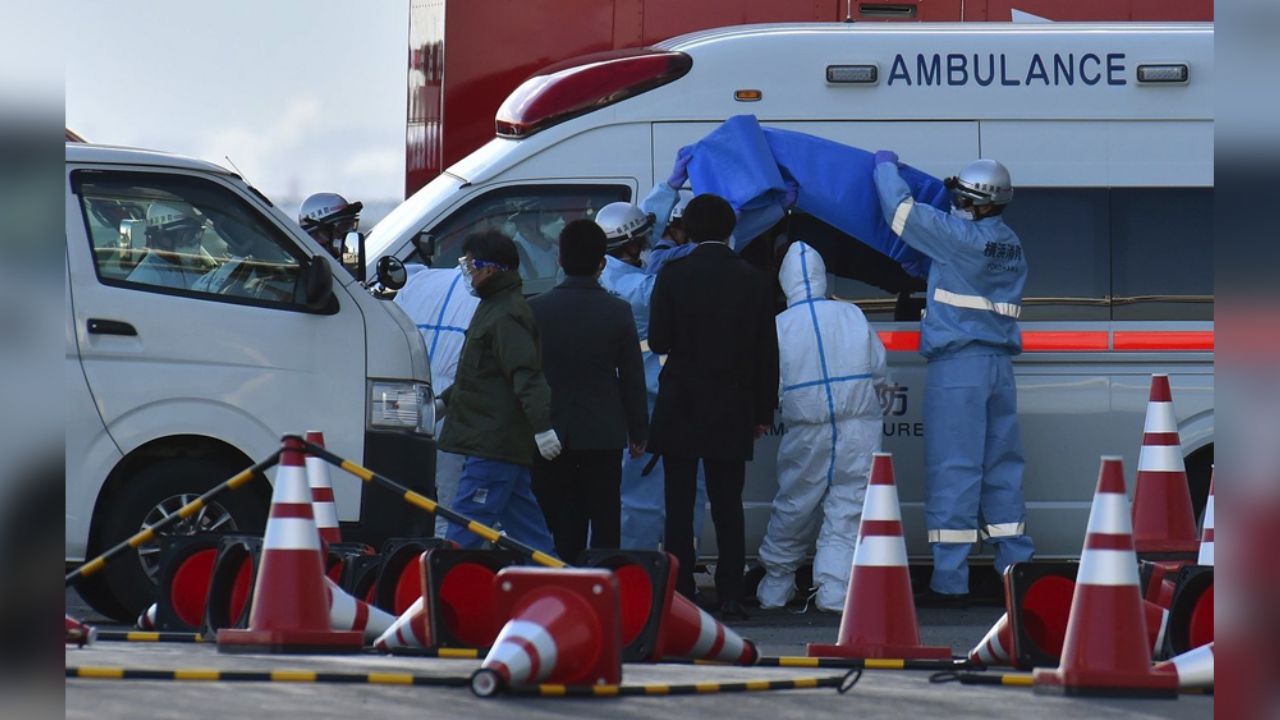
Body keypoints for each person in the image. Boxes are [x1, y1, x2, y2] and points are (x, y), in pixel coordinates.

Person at [872, 152, 1034, 604]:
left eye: (963, 196)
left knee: (954, 468)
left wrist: (886, 167)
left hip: (959, 366)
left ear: (981, 202)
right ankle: (1014, 568)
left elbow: (900, 212)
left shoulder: (959, 238)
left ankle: (949, 580)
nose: (958, 202)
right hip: (999, 368)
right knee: (1002, 469)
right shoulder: (1009, 243)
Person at [648, 193, 780, 620]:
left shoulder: (673, 274)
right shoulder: (754, 279)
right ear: (729, 230)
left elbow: (661, 340)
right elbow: (767, 354)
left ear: (688, 230)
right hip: (733, 403)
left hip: (681, 402)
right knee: (728, 504)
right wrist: (762, 412)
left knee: (680, 504)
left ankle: (681, 589)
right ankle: (730, 593)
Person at [756, 241, 888, 612]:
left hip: (806, 429)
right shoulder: (851, 315)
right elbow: (878, 367)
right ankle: (833, 591)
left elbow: (773, 383)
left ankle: (775, 587)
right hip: (859, 428)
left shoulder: (779, 326)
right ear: (820, 276)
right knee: (848, 507)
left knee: (795, 504)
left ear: (784, 282)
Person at [528, 220, 648, 562]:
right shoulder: (618, 311)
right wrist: (638, 430)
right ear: (602, 263)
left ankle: (562, 583)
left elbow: (528, 374)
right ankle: (604, 586)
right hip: (603, 431)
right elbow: (631, 376)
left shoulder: (536, 309)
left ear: (560, 260)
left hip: (549, 432)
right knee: (605, 515)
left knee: (560, 517)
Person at [436, 231, 561, 554]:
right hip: (497, 443)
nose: (468, 274)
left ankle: (443, 588)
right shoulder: (493, 307)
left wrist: (542, 427)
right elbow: (482, 375)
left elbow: (526, 374)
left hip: (492, 443)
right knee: (529, 533)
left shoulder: (506, 314)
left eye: (471, 266)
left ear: (491, 270)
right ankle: (558, 585)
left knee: (466, 524)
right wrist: (443, 403)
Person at [596, 184, 701, 551]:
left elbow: (638, 236)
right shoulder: (641, 289)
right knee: (641, 494)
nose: (650, 244)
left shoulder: (605, 274)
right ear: (631, 246)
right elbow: (676, 281)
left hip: (609, 400)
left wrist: (667, 189)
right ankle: (636, 569)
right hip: (644, 400)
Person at [393, 265, 480, 538]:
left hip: (405, 388)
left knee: (399, 476)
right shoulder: (483, 295)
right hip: (451, 395)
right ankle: (444, 548)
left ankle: (410, 543)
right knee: (449, 488)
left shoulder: (418, 282)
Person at [127, 201, 213, 289]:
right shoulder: (146, 278)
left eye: (195, 234)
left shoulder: (182, 265)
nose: (193, 242)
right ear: (163, 237)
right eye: (188, 236)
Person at [298, 192, 362, 260]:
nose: (350, 232)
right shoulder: (313, 267)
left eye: (352, 225)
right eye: (344, 227)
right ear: (319, 234)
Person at [509, 206, 560, 280]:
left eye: (530, 219)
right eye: (522, 220)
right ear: (517, 224)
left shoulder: (550, 242)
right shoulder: (512, 248)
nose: (527, 224)